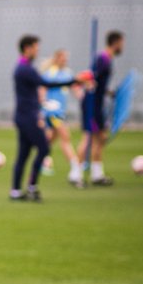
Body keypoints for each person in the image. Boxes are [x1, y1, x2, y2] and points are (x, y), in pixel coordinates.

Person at [10, 36, 88, 201]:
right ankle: (31, 187)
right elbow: (46, 83)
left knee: (24, 154)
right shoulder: (25, 69)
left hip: (23, 116)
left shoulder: (22, 67)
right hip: (28, 117)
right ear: (27, 48)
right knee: (44, 148)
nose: (37, 51)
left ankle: (16, 191)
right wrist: (74, 81)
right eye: (35, 48)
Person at [76, 30, 125, 186]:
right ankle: (76, 175)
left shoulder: (107, 59)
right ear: (115, 42)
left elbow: (98, 82)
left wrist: (108, 92)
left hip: (97, 103)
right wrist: (85, 85)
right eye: (122, 43)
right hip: (91, 104)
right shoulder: (102, 59)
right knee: (88, 137)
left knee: (101, 138)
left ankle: (97, 174)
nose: (123, 46)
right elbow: (88, 76)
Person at [37, 48, 85, 187]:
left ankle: (41, 160)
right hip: (52, 111)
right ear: (57, 58)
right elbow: (42, 89)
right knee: (65, 137)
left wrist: (85, 97)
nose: (65, 60)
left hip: (60, 111)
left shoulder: (68, 73)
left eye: (66, 58)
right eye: (63, 57)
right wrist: (43, 104)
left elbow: (75, 89)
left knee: (51, 139)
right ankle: (75, 168)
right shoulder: (50, 73)